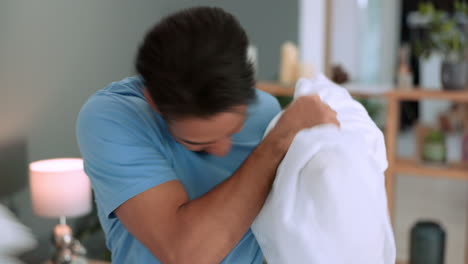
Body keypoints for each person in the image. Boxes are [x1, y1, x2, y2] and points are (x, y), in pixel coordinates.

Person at [76, 6, 338, 264]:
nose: (223, 149)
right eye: (198, 144)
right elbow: (186, 254)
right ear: (152, 101)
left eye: (234, 131)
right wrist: (276, 143)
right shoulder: (112, 117)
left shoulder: (266, 110)